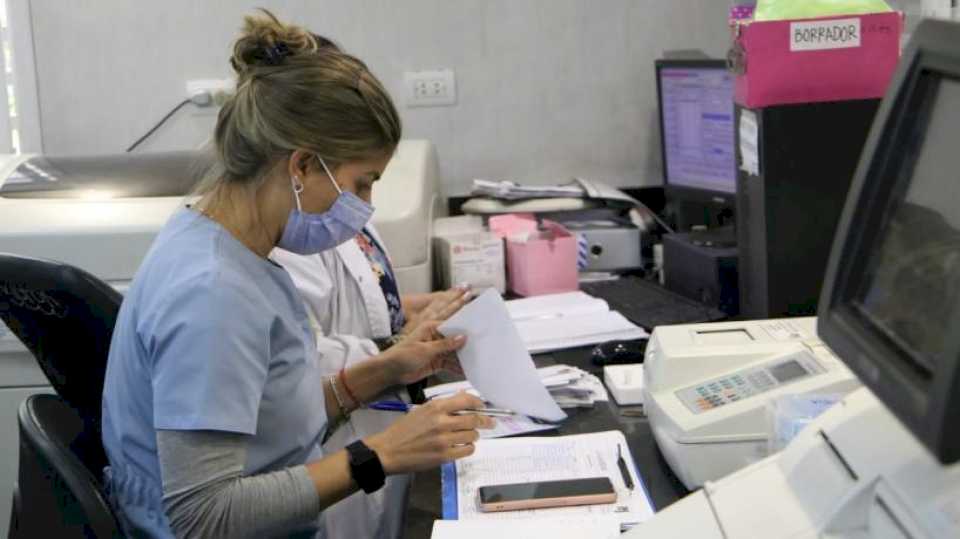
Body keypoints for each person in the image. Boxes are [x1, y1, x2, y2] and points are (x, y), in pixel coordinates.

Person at [100, 9, 492, 538]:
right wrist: (380, 453)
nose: (366, 207)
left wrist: (382, 371)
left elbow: (271, 420)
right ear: (302, 165)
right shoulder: (212, 292)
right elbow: (202, 517)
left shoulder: (225, 243)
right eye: (362, 184)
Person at [272, 237, 469, 539]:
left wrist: (414, 310)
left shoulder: (345, 223)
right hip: (333, 453)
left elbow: (366, 297)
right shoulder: (282, 247)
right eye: (361, 187)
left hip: (376, 439)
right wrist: (398, 345)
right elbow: (302, 361)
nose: (365, 203)